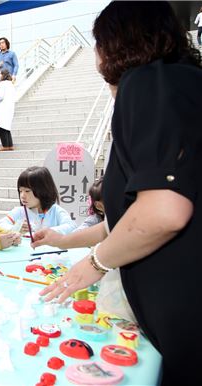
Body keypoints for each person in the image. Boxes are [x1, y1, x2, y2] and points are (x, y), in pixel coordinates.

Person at [37, 2, 202, 383]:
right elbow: (123, 222)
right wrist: (65, 242)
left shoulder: (147, 82)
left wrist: (95, 263)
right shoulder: (184, 83)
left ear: (114, 42)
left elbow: (163, 211)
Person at [0, 166, 76, 235]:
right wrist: (16, 228)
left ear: (43, 190)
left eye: (27, 191)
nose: (22, 196)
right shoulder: (20, 211)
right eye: (20, 191)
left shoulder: (55, 211)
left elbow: (71, 226)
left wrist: (45, 232)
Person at [0, 69, 15, 151]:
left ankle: (5, 145)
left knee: (1, 126)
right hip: (9, 107)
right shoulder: (10, 84)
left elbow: (0, 97)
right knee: (6, 126)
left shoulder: (2, 84)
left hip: (2, 108)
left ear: (3, 75)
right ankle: (10, 145)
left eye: (0, 74)